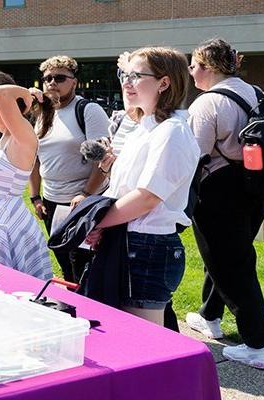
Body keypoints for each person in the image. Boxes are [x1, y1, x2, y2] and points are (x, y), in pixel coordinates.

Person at [84, 47, 200, 327]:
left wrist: (97, 223)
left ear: (164, 82)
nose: (126, 82)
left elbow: (147, 198)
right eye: (125, 74)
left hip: (148, 245)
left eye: (136, 76)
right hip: (128, 240)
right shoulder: (145, 128)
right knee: (126, 335)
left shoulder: (172, 131)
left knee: (145, 344)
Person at [185, 38, 264, 369]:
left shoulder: (207, 104)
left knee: (233, 264)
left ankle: (257, 345)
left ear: (207, 68)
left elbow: (193, 156)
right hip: (259, 187)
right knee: (230, 254)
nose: (191, 71)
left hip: (219, 191)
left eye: (193, 65)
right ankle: (210, 316)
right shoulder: (261, 94)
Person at [29, 55, 110, 283]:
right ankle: (74, 307)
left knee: (84, 265)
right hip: (52, 202)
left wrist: (86, 194)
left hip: (82, 202)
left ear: (74, 81)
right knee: (65, 262)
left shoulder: (88, 110)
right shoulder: (43, 113)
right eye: (47, 78)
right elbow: (34, 159)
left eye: (60, 78)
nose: (52, 82)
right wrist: (36, 196)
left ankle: (92, 312)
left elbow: (102, 159)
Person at [0, 71, 53, 280]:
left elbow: (2, 92)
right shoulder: (7, 136)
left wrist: (26, 94)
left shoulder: (23, 134)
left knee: (14, 285)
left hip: (10, 221)